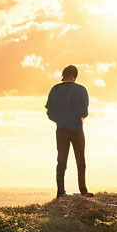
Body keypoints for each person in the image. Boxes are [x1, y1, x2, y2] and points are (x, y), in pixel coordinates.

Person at [45, 65, 93, 198]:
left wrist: (59, 120)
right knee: (80, 161)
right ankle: (83, 190)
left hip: (61, 129)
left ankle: (60, 192)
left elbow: (49, 112)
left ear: (63, 75)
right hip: (77, 128)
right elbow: (84, 112)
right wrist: (76, 119)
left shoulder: (55, 89)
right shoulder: (81, 89)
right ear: (75, 76)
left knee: (61, 161)